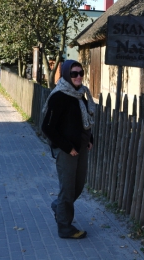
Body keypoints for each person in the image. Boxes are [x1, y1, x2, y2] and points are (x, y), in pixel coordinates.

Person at [42, 60, 95, 239]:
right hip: (67, 150)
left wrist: (90, 138)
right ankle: (64, 226)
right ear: (66, 75)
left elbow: (84, 120)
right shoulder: (59, 97)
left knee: (78, 186)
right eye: (74, 73)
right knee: (67, 188)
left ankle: (59, 206)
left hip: (81, 146)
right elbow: (47, 128)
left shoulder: (80, 94)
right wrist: (67, 147)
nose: (79, 76)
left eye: (81, 72)